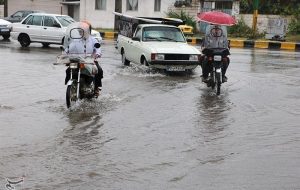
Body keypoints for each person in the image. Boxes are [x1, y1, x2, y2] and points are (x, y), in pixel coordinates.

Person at [64, 21, 103, 96]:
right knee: (68, 70)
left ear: (88, 31)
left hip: (89, 61)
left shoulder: (93, 40)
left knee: (99, 70)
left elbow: (98, 48)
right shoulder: (75, 41)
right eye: (79, 31)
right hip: (78, 60)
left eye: (82, 31)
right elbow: (68, 49)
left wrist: (97, 54)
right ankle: (71, 86)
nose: (81, 32)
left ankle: (96, 88)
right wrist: (64, 54)